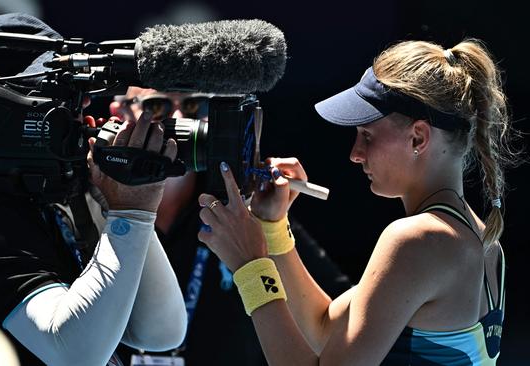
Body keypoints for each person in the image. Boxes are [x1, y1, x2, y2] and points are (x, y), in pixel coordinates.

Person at [196, 38, 519, 365]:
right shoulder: (486, 244)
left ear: (418, 138)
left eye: (367, 135)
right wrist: (273, 229)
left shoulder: (417, 240)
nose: (355, 154)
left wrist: (251, 266)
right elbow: (324, 329)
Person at [0, 13, 187, 366]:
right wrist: (131, 212)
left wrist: (114, 194)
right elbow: (72, 353)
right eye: (58, 99)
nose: (80, 110)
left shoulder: (53, 191)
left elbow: (161, 332)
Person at [109, 87, 353, 365]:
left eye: (193, 107)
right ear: (119, 112)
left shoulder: (245, 211)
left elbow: (333, 325)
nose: (178, 120)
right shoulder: (84, 204)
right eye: (156, 108)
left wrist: (272, 228)